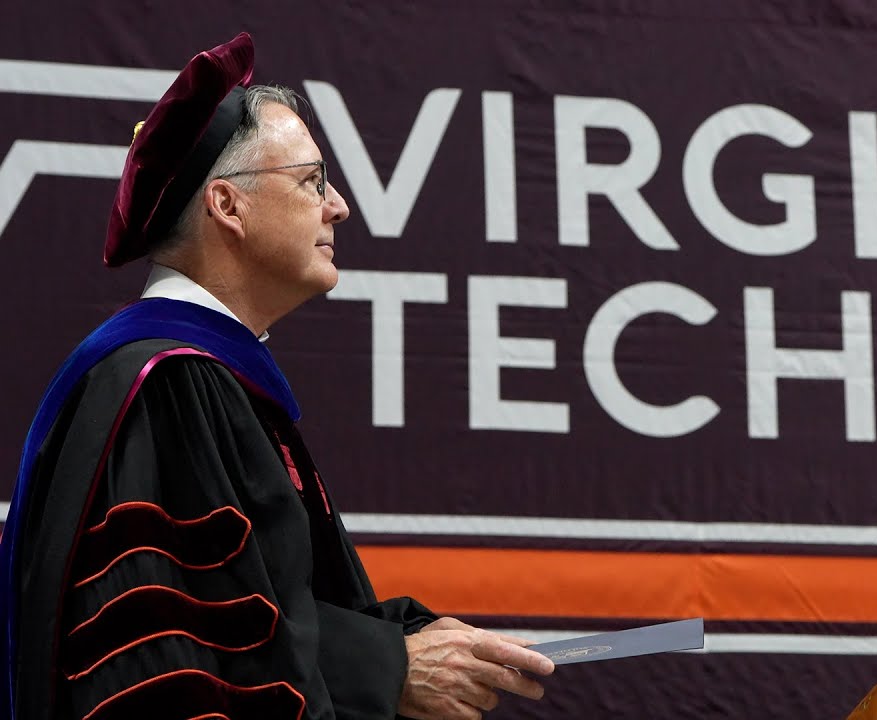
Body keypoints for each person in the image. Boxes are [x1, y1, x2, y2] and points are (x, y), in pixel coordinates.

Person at [0, 33, 553, 720]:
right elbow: (176, 653)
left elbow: (255, 603)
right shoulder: (167, 388)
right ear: (228, 206)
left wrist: (409, 640)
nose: (340, 205)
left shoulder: (211, 381)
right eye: (311, 180)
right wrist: (386, 665)